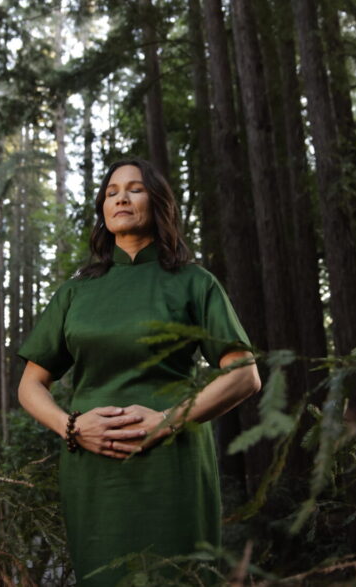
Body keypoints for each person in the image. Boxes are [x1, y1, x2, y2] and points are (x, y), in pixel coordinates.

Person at [17, 158, 262, 586]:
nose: (121, 198)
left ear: (158, 201)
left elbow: (244, 374)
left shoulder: (193, 282)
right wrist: (72, 426)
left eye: (135, 189)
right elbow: (30, 385)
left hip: (174, 464)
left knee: (179, 576)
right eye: (111, 192)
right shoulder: (76, 291)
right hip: (92, 468)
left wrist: (168, 422)